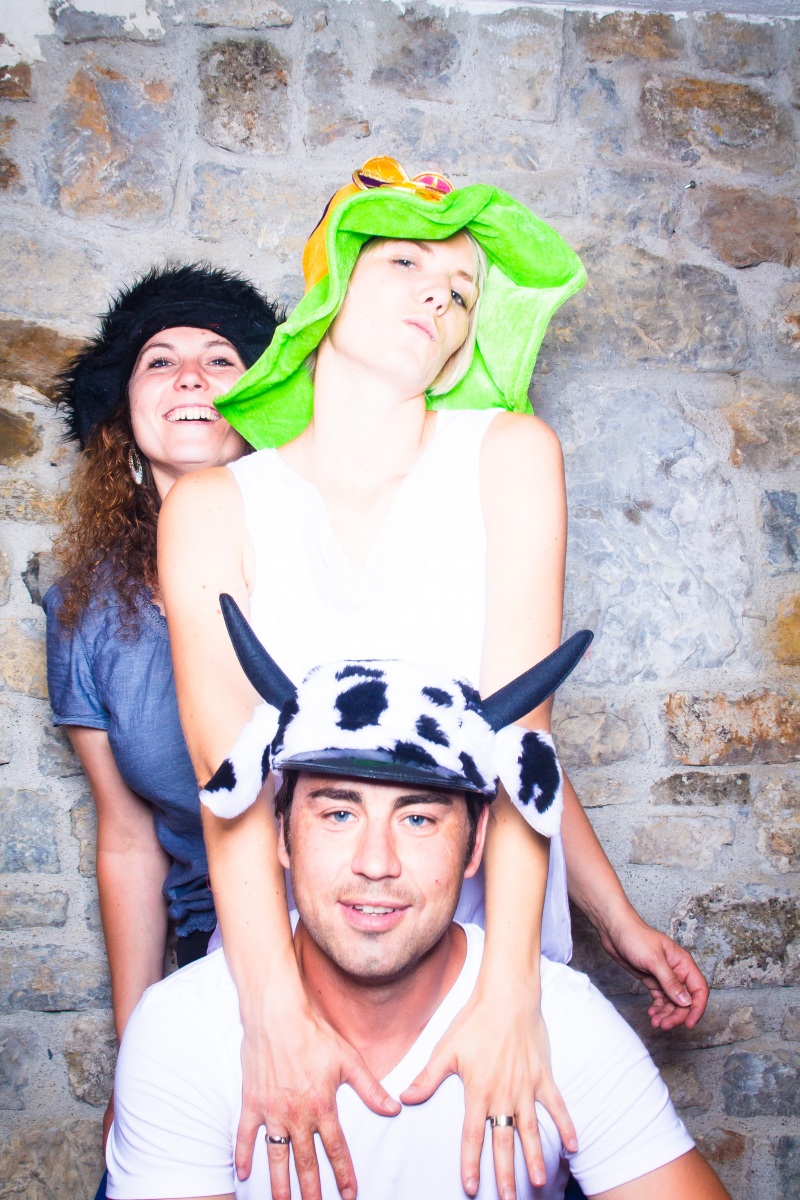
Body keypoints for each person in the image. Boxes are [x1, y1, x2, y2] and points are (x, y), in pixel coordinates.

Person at [159, 159, 709, 1200]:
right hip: (293, 946)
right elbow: (227, 788)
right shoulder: (211, 508)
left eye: (462, 289)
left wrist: (514, 990)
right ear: (331, 279)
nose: (438, 296)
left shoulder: (510, 455)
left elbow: (518, 745)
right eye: (406, 262)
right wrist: (271, 1017)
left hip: (484, 935)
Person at [106, 620, 729, 1200]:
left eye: (419, 819)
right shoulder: (184, 1035)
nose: (376, 862)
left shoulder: (559, 1027)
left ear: (476, 845)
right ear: (281, 835)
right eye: (339, 813)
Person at [44, 264, 282, 1138]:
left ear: (260, 401)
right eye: (160, 360)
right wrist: (138, 1048)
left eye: (220, 359)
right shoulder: (84, 609)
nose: (189, 375)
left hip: (367, 933)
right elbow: (128, 839)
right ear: (123, 415)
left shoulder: (324, 550)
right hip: (210, 964)